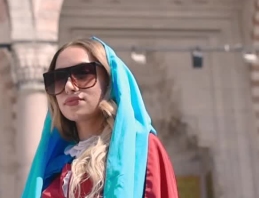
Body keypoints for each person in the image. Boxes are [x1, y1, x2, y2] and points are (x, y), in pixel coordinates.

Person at [21, 37, 179, 198]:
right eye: (58, 79)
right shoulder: (52, 167)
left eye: (83, 73)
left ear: (110, 82)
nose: (69, 86)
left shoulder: (141, 150)